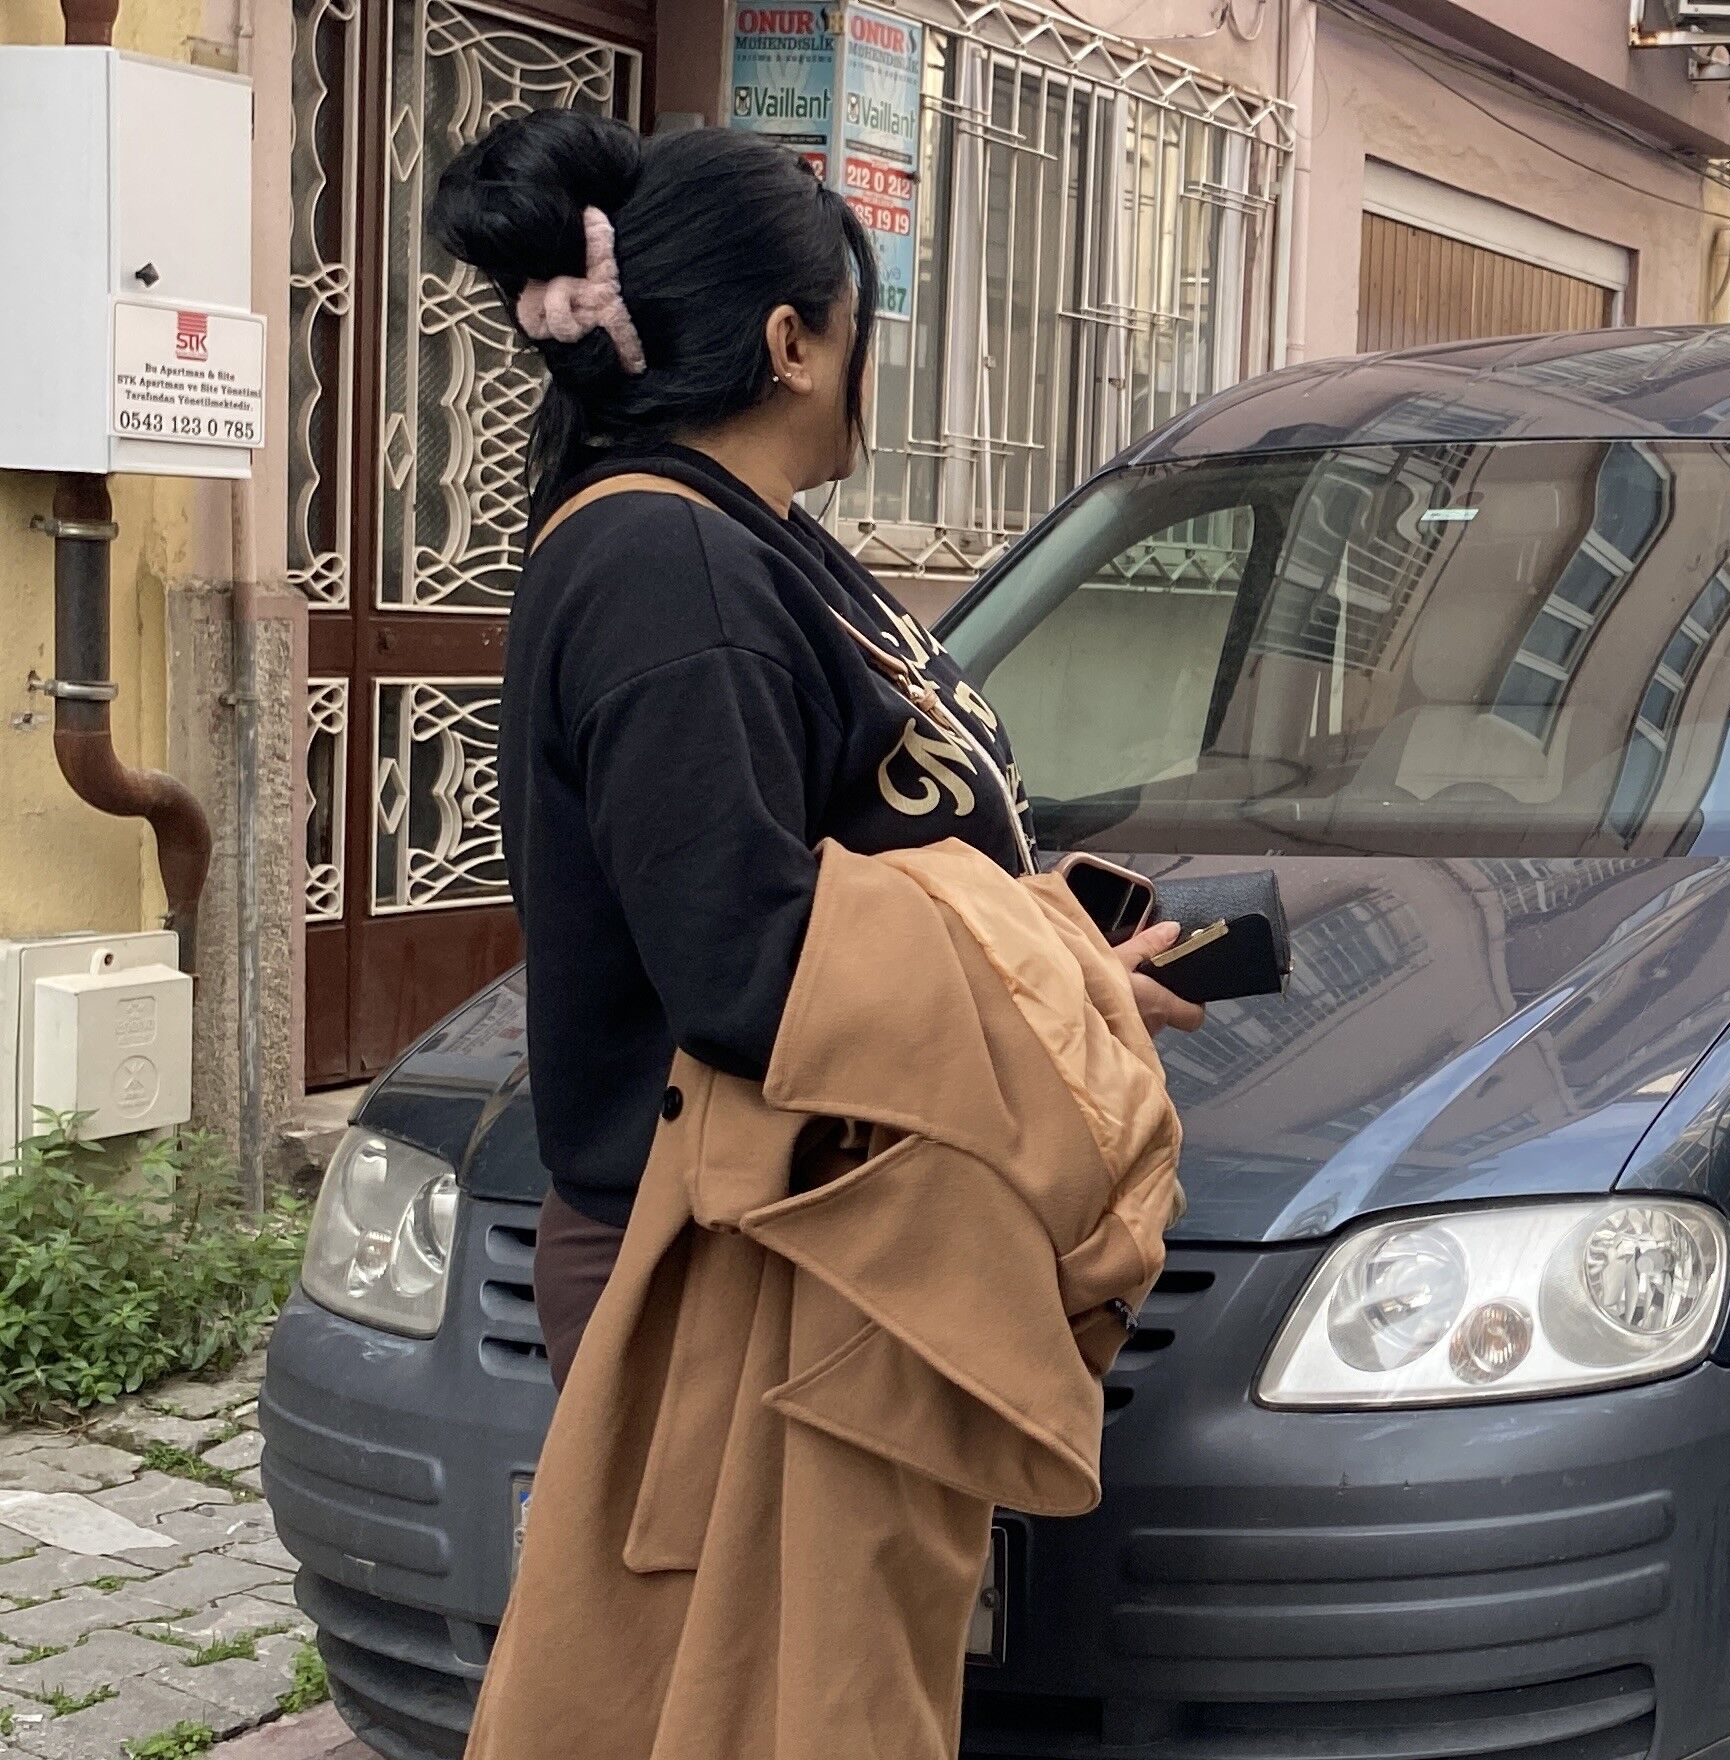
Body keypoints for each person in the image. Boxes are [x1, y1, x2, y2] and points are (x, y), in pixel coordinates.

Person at [433, 108, 1204, 1386]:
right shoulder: (665, 564)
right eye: (858, 326)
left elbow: (853, 845)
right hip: (730, 1256)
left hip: (822, 1231)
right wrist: (1062, 996)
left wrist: (1044, 924)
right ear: (792, 342)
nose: (868, 364)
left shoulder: (747, 535)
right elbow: (749, 966)